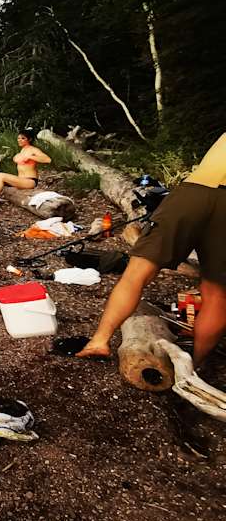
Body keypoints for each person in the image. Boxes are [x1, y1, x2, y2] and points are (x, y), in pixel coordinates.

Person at [77, 132, 226, 367]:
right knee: (217, 294)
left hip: (196, 190)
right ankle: (193, 367)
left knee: (136, 273)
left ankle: (99, 341)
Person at [0, 129, 51, 207]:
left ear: (29, 139)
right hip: (20, 180)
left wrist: (31, 157)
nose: (19, 140)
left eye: (23, 138)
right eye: (18, 138)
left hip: (30, 181)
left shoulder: (33, 150)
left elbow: (48, 160)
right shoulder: (21, 151)